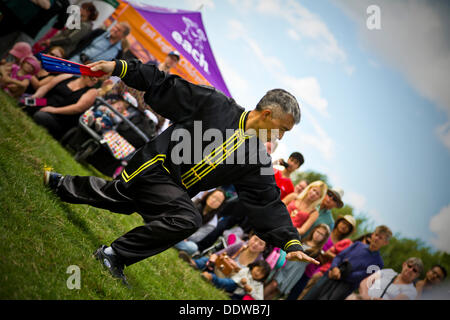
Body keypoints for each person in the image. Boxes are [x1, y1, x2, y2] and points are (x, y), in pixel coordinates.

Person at [43, 58, 319, 285]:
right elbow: (164, 84)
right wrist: (117, 68)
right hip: (155, 167)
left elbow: (266, 201)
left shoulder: (257, 156)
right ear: (268, 115)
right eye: (282, 128)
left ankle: (57, 183)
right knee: (187, 218)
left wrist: (291, 242)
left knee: (120, 198)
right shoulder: (215, 104)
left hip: (174, 189)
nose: (281, 136)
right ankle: (113, 255)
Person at [303, 225, 392, 300]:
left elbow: (360, 276)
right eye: (376, 235)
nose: (376, 238)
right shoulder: (357, 245)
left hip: (343, 287)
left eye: (380, 238)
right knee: (309, 297)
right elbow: (339, 256)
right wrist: (334, 268)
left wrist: (339, 274)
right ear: (372, 235)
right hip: (330, 275)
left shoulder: (378, 263)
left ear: (385, 242)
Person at [287, 214, 356, 300]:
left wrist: (328, 256)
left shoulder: (343, 243)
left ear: (349, 230)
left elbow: (339, 259)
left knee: (297, 294)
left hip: (314, 271)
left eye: (348, 226)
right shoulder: (325, 232)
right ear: (339, 222)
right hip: (300, 262)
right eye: (343, 222)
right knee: (285, 286)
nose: (344, 226)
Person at [264, 224, 331, 300]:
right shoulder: (304, 240)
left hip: (295, 270)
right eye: (318, 232)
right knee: (273, 284)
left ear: (324, 238)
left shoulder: (317, 251)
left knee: (276, 291)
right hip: (287, 264)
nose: (318, 235)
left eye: (321, 234)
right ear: (314, 231)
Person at [27, 73, 98, 139]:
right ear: (85, 73)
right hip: (45, 102)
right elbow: (46, 87)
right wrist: (36, 96)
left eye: (98, 78)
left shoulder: (92, 91)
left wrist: (53, 110)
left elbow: (78, 108)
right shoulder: (67, 76)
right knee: (26, 102)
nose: (96, 80)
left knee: (40, 116)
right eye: (94, 76)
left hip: (60, 117)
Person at [174, 188, 226, 255]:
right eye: (214, 197)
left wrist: (184, 235)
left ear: (220, 205)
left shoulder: (212, 223)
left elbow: (196, 238)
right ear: (209, 195)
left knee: (193, 247)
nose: (214, 200)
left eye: (218, 201)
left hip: (183, 237)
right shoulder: (195, 200)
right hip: (175, 226)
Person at [347, 257, 424, 300]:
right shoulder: (388, 272)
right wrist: (365, 295)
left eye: (415, 270)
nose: (410, 270)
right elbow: (365, 282)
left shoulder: (411, 291)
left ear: (417, 275)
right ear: (404, 265)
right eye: (409, 266)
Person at [204, 260, 271, 300]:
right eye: (258, 270)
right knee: (223, 283)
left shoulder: (259, 285)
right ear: (253, 267)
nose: (258, 273)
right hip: (234, 284)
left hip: (239, 295)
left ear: (264, 277)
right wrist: (242, 280)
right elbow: (237, 277)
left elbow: (260, 298)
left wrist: (251, 291)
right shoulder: (246, 270)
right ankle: (211, 277)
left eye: (261, 273)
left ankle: (212, 278)